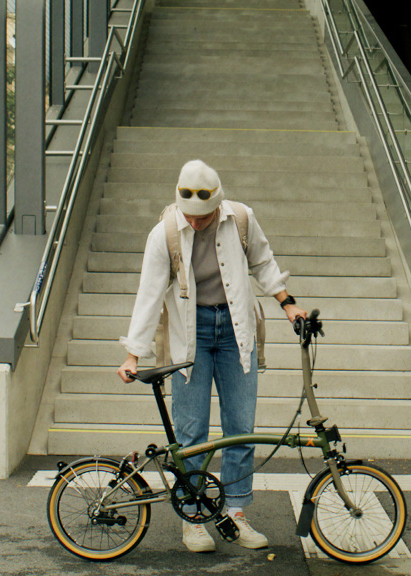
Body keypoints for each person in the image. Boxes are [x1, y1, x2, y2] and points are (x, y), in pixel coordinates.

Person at [118, 159, 307, 553]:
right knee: (192, 433)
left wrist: (288, 304)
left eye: (203, 216)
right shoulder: (164, 233)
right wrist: (135, 354)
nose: (196, 221)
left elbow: (263, 263)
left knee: (241, 427)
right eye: (191, 215)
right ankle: (194, 518)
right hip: (192, 334)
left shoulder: (240, 218)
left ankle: (236, 513)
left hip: (237, 329)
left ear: (217, 204)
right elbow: (149, 294)